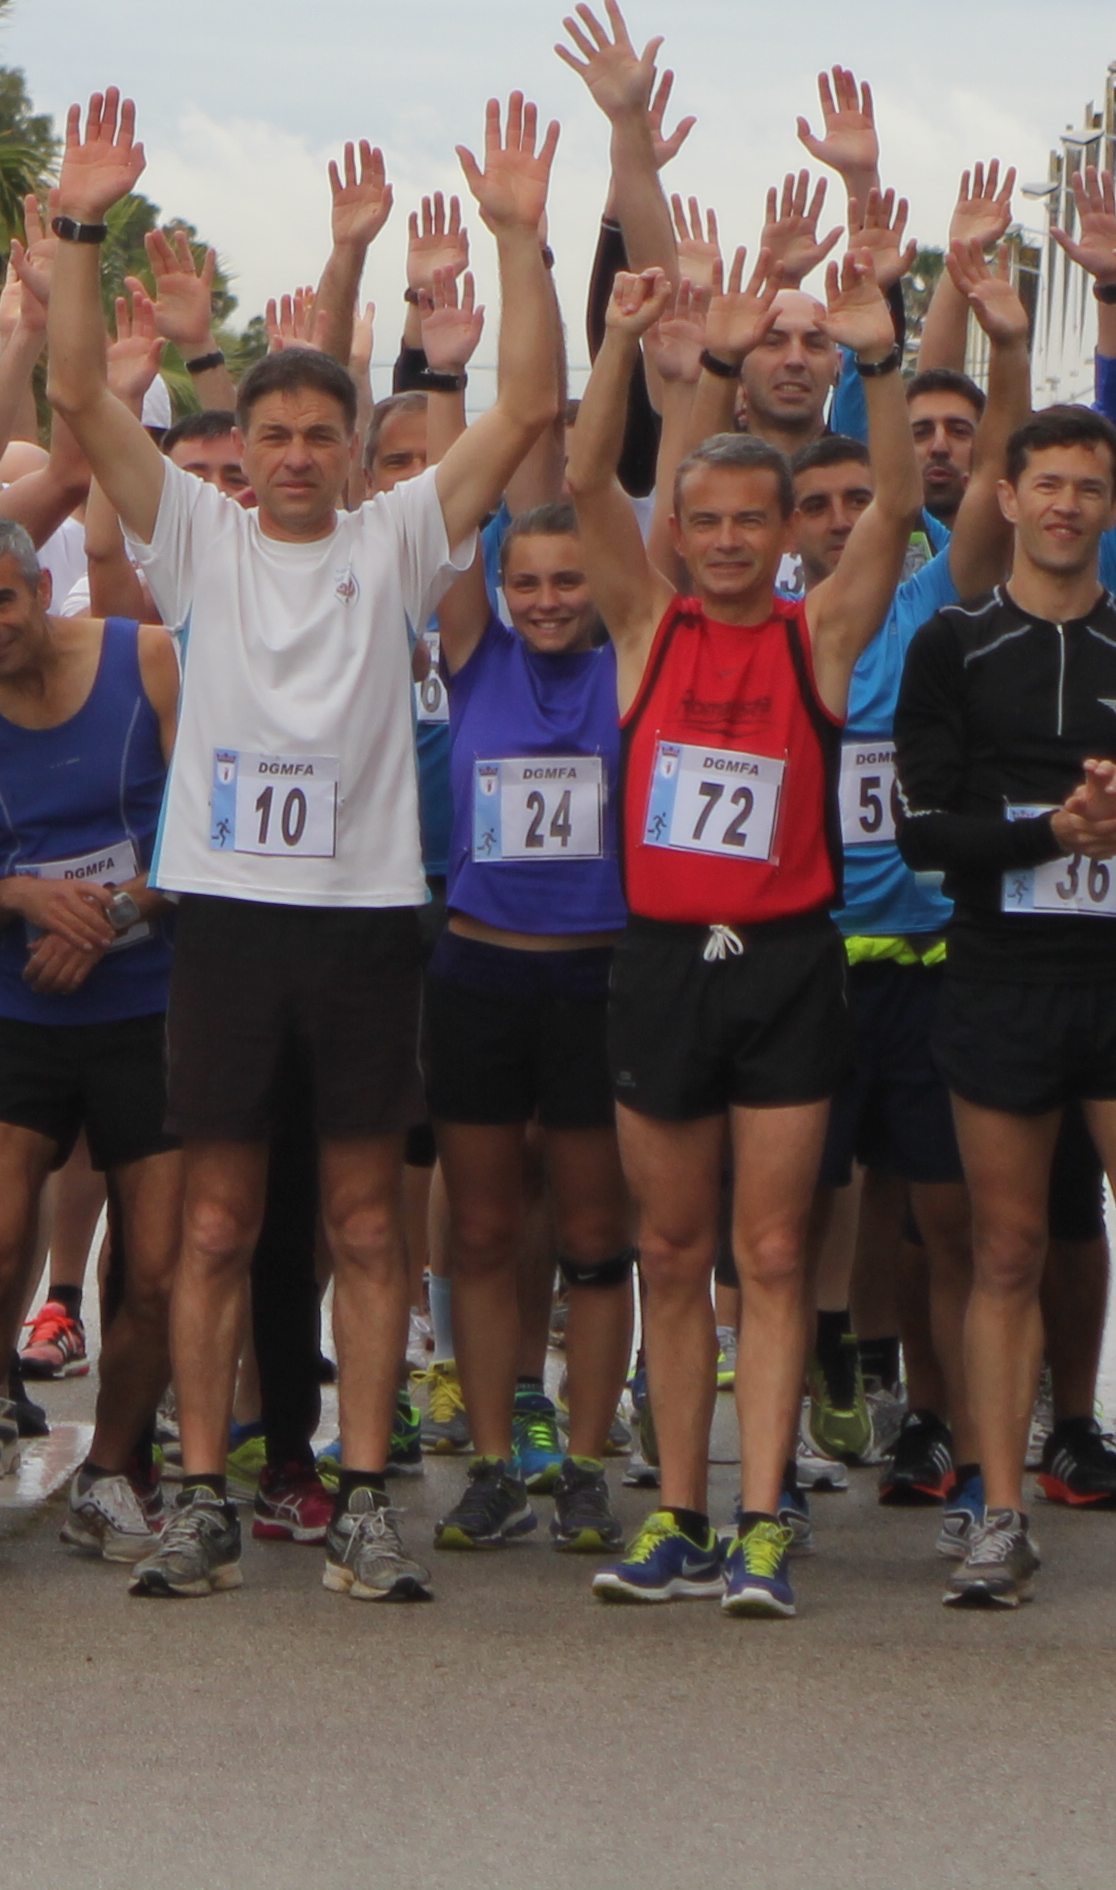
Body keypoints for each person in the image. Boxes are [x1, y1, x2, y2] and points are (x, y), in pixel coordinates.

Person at [33, 88, 564, 1607]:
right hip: (227, 923)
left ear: (354, 450)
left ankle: (367, 1494)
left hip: (365, 927)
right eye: (270, 433)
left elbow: (525, 408)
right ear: (242, 451)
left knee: (359, 1218)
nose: (294, 456)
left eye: (322, 434)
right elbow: (79, 399)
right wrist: (82, 227)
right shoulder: (194, 538)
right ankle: (202, 1491)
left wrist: (521, 239)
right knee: (211, 1215)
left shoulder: (399, 540)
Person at [560, 245, 931, 1620]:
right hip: (663, 963)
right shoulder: (644, 628)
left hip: (785, 965)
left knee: (771, 1254)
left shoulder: (815, 635)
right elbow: (592, 481)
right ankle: (678, 1515)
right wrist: (623, 345)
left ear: (781, 536)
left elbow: (894, 500)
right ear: (684, 529)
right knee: (670, 1252)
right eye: (703, 520)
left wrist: (881, 357)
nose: (724, 542)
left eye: (746, 525)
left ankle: (762, 1522)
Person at [891, 372, 1116, 1612]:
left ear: (1114, 504)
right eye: (1048, 486)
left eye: (1092, 488)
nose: (1069, 506)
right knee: (1008, 1248)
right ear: (1005, 498)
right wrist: (1051, 831)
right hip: (1002, 987)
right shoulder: (953, 643)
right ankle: (996, 1509)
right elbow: (925, 829)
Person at [0, 509, 186, 1566]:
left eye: (2, 603)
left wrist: (112, 920)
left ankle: (111, 1474)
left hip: (147, 996)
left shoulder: (145, 657)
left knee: (155, 1266)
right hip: (16, 1002)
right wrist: (22, 896)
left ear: (39, 589)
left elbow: (209, 828)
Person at [419, 504, 638, 1557]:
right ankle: (496, 1465)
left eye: (569, 580)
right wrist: (448, 371)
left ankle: (588, 1464)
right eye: (530, 582)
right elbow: (456, 514)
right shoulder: (474, 656)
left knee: (597, 1241)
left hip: (598, 979)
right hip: (478, 973)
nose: (548, 600)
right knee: (483, 1233)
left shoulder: (631, 663)